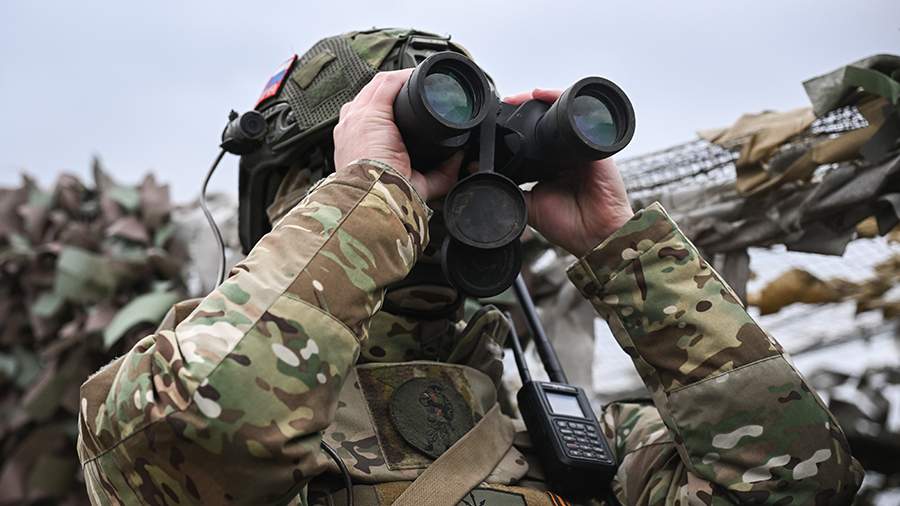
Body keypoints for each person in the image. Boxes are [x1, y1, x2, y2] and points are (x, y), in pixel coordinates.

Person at [76, 29, 864, 505]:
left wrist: (622, 249)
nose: (428, 196)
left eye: (448, 169)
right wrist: (374, 194)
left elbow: (799, 483)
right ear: (293, 199)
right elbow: (204, 426)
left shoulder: (584, 448)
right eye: (398, 169)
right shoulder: (166, 403)